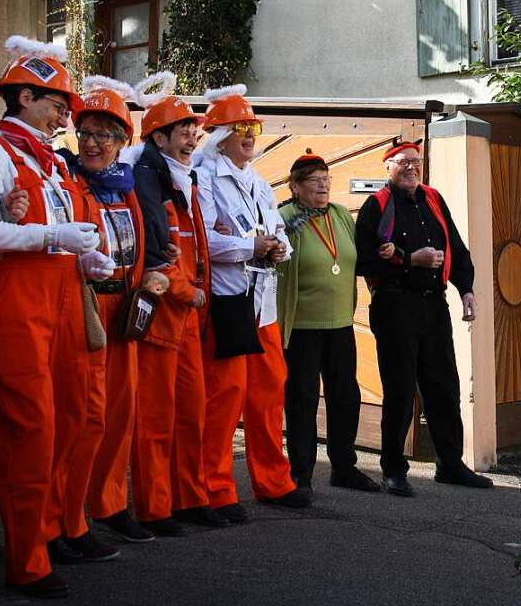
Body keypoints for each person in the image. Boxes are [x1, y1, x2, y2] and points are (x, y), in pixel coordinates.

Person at [0, 36, 112, 599]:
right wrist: (53, 235)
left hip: (62, 302)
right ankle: (26, 561)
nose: (65, 116)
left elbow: (54, 234)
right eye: (56, 104)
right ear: (24, 96)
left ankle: (45, 533)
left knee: (68, 424)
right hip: (18, 310)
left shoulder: (49, 164)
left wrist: (85, 253)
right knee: (29, 433)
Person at [195, 85, 311, 520]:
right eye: (241, 127)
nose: (250, 134)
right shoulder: (204, 178)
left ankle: (273, 481)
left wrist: (280, 247)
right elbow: (205, 241)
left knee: (267, 395)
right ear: (220, 133)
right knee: (224, 396)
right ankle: (215, 488)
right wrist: (252, 247)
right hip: (229, 300)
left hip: (263, 303)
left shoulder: (260, 182)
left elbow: (276, 231)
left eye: (254, 126)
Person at [355, 142, 492, 497]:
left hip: (434, 305)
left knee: (444, 386)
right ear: (388, 167)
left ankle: (450, 464)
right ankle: (393, 471)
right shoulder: (377, 206)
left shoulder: (433, 198)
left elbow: (456, 249)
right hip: (395, 305)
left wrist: (466, 289)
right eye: (403, 163)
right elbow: (364, 262)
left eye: (416, 162)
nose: (411, 168)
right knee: (400, 390)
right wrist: (408, 259)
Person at [57, 76, 161, 545]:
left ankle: (110, 502)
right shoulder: (69, 181)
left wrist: (154, 275)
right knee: (85, 416)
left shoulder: (127, 188)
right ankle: (68, 515)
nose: (93, 143)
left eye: (104, 135)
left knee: (122, 411)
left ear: (123, 142)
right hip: (86, 305)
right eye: (86, 134)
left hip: (126, 304)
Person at [128, 73, 227, 535]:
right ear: (158, 136)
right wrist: (188, 291)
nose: (193, 137)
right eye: (183, 129)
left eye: (195, 130)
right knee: (156, 415)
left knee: (191, 410)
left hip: (186, 312)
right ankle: (155, 506)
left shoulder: (181, 178)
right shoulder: (147, 179)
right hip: (164, 309)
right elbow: (153, 251)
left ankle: (189, 496)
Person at [276, 150, 379, 493]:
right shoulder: (285, 217)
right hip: (302, 327)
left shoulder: (339, 214)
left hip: (339, 323)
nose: (323, 186)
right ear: (295, 186)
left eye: (326, 180)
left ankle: (344, 467)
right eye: (315, 181)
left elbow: (354, 256)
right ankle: (301, 473)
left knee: (345, 396)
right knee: (302, 398)